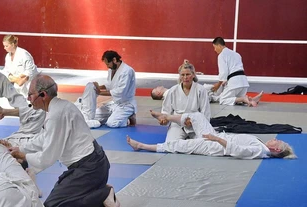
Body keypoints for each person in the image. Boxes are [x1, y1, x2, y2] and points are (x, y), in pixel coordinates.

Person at [8, 75, 121, 207]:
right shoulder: (60, 107)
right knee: (59, 199)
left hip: (90, 169)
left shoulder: (56, 115)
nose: (28, 98)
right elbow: (45, 137)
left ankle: (103, 195)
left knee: (53, 206)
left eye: (30, 94)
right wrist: (22, 148)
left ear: (43, 95)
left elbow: (47, 158)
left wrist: (23, 156)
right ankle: (96, 189)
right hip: (93, 165)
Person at [127, 111, 296, 159]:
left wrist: (216, 139)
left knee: (179, 146)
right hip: (217, 136)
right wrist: (216, 135)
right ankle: (166, 116)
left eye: (277, 142)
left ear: (275, 150)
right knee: (197, 116)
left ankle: (141, 146)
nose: (275, 138)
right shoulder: (262, 145)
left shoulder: (260, 151)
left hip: (214, 146)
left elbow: (236, 150)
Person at [74, 50, 137, 128]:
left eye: (108, 64)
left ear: (114, 60)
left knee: (111, 123)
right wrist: (96, 87)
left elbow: (120, 92)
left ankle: (129, 116)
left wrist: (99, 92)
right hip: (115, 104)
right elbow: (109, 85)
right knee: (94, 117)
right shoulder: (111, 70)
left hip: (126, 105)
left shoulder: (127, 71)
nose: (107, 66)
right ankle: (115, 114)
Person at [159, 60, 211, 142]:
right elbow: (166, 111)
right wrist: (164, 119)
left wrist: (196, 122)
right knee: (171, 144)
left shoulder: (201, 90)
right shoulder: (173, 90)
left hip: (195, 123)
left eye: (188, 74)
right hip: (178, 123)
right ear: (179, 76)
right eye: (182, 75)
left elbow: (205, 111)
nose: (185, 77)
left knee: (205, 143)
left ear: (193, 75)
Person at [211, 37, 263, 106]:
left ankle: (244, 99)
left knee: (223, 99)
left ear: (219, 46)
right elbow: (235, 69)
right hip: (244, 83)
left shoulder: (222, 55)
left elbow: (223, 73)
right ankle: (251, 100)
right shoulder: (236, 54)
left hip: (235, 83)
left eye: (215, 47)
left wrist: (218, 84)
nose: (215, 50)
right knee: (236, 99)